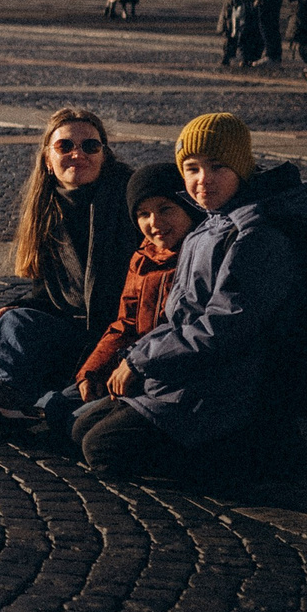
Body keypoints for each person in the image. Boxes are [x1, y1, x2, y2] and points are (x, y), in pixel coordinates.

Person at [71, 114, 307, 494]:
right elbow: (178, 317)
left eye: (217, 167)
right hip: (193, 373)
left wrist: (140, 360)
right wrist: (136, 358)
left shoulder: (256, 236)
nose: (202, 180)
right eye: (191, 168)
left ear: (241, 168)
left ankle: (258, 454)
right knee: (79, 429)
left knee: (103, 449)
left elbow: (223, 329)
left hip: (231, 385)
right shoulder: (209, 224)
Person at [0, 106, 135, 431]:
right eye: (65, 146)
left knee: (65, 410)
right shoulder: (48, 212)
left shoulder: (131, 201)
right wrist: (18, 308)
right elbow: (50, 296)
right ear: (48, 160)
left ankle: (33, 410)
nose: (78, 154)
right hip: (75, 335)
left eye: (90, 146)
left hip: (119, 338)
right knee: (14, 321)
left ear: (105, 155)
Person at [47, 165, 196, 444]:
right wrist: (93, 370)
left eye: (166, 209)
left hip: (156, 374)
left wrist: (134, 366)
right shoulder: (143, 258)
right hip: (130, 363)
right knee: (57, 407)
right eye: (144, 214)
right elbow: (125, 323)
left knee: (75, 426)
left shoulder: (192, 259)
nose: (155, 222)